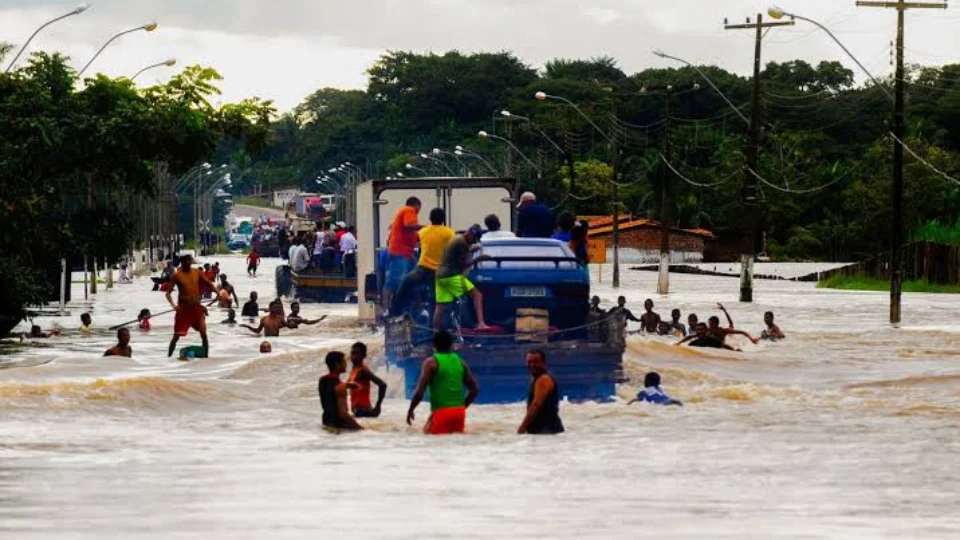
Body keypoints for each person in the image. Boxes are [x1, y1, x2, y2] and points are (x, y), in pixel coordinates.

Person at [406, 330, 479, 435]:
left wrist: (411, 409)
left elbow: (419, 391)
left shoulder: (431, 363)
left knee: (432, 443)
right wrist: (462, 407)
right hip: (459, 414)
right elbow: (474, 389)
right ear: (451, 345)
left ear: (434, 345)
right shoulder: (460, 361)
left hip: (441, 413)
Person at [391, 207, 453, 316]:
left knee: (406, 282)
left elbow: (412, 240)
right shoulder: (449, 232)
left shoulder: (423, 231)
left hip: (422, 269)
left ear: (430, 218)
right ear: (443, 219)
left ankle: (395, 311)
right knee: (436, 298)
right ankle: (433, 323)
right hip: (440, 271)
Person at [433, 225, 492, 331]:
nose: (474, 242)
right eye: (474, 239)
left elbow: (457, 255)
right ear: (470, 234)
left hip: (440, 276)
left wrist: (470, 250)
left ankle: (435, 331)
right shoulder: (462, 243)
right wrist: (479, 259)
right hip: (451, 275)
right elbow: (464, 264)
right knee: (477, 295)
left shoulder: (457, 238)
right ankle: (481, 324)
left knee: (440, 306)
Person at [166, 254, 217, 358]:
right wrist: (174, 306)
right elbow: (168, 293)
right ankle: (168, 357)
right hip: (183, 310)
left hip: (196, 308)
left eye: (190, 260)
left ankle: (206, 357)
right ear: (182, 262)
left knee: (203, 332)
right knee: (176, 336)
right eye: (187, 260)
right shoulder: (177, 275)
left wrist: (218, 293)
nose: (189, 262)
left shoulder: (197, 272)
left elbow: (208, 283)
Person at [384, 197, 423, 309]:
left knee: (415, 277)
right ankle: (387, 308)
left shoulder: (403, 214)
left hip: (407, 254)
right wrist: (426, 227)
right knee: (395, 280)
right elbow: (409, 225)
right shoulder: (409, 210)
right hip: (400, 252)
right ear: (416, 205)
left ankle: (418, 305)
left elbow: (414, 236)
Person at [517, 350, 565, 435]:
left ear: (543, 363)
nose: (532, 365)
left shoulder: (543, 379)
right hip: (544, 431)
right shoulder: (536, 378)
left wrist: (522, 428)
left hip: (547, 431)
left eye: (535, 362)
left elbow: (536, 404)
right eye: (529, 362)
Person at [319, 351, 364, 432]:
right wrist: (360, 429)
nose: (346, 364)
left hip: (326, 423)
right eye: (344, 362)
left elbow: (331, 391)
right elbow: (343, 414)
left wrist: (348, 385)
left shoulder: (322, 380)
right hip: (340, 428)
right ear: (337, 364)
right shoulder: (340, 387)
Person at [348, 342, 387, 418]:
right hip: (358, 411)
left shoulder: (363, 371)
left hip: (364, 411)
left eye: (357, 354)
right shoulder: (354, 369)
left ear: (364, 356)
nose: (354, 357)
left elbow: (382, 384)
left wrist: (378, 406)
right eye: (352, 353)